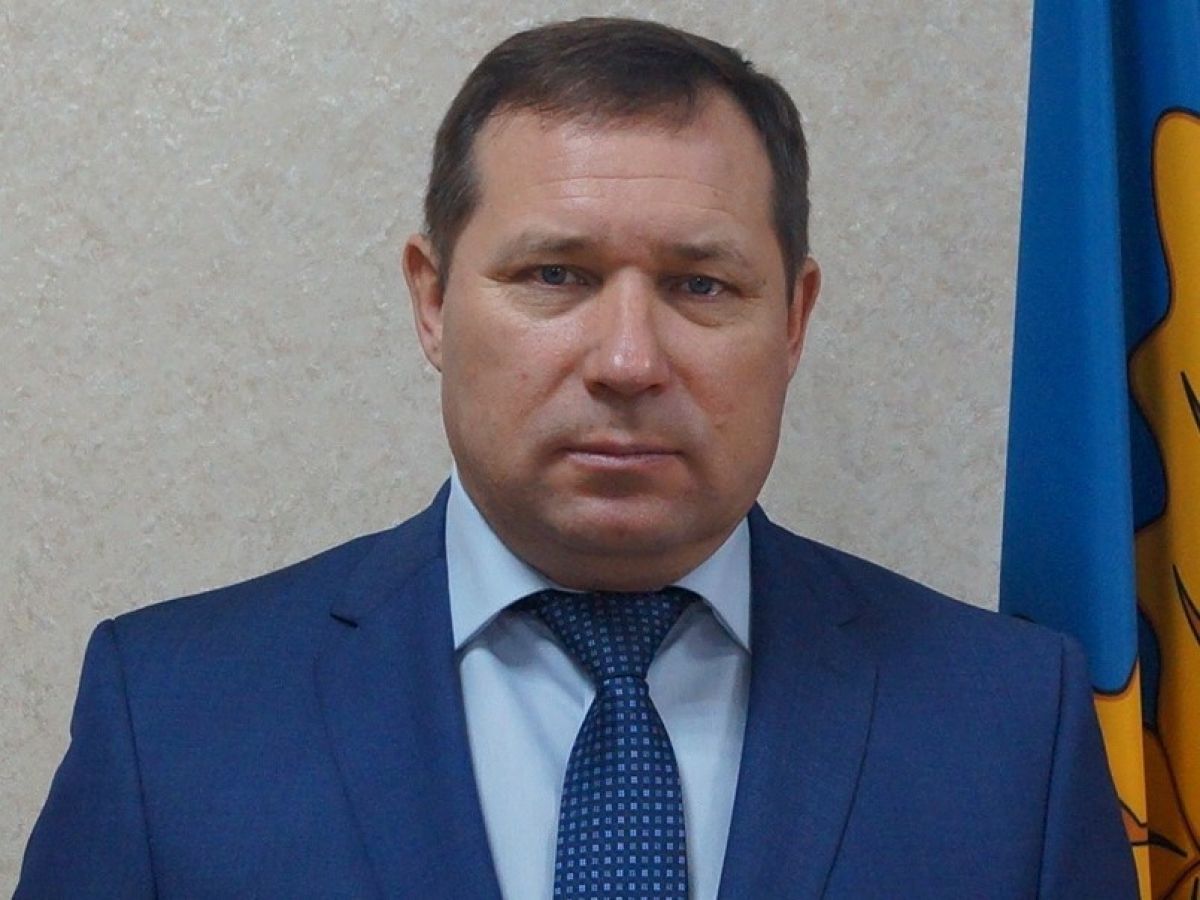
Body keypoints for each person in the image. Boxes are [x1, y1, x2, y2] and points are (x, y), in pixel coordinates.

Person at [17, 16, 1136, 900]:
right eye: (555, 275)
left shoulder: (1007, 727)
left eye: (702, 284)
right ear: (432, 301)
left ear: (794, 320)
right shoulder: (172, 718)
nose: (627, 360)